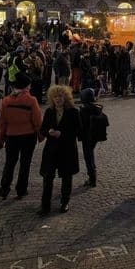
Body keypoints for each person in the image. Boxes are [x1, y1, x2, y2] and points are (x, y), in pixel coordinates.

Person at [0, 73, 43, 200]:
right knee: (25, 163)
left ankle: (5, 188)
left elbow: (2, 122)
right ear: (27, 86)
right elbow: (37, 121)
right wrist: (40, 135)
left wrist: (1, 136)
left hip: (11, 136)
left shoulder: (6, 101)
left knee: (9, 163)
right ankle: (21, 189)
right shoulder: (31, 100)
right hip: (28, 136)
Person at [37, 86, 80, 216]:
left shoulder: (73, 112)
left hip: (67, 149)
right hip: (51, 149)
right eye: (55, 97)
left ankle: (65, 202)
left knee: (66, 177)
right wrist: (48, 132)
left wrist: (62, 134)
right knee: (47, 177)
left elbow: (78, 131)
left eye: (60, 96)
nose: (58, 99)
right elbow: (43, 129)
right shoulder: (49, 111)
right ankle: (45, 205)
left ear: (66, 97)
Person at [78, 88, 109, 188]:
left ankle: (92, 178)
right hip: (95, 136)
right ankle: (92, 175)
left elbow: (80, 125)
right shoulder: (97, 108)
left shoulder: (83, 110)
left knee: (88, 157)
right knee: (90, 154)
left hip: (87, 136)